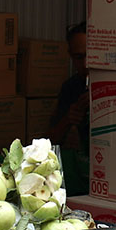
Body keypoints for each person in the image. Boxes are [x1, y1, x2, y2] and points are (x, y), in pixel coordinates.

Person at [47, 21, 90, 193]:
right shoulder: (71, 87)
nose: (86, 64)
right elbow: (50, 140)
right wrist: (68, 119)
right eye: (79, 57)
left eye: (91, 55)